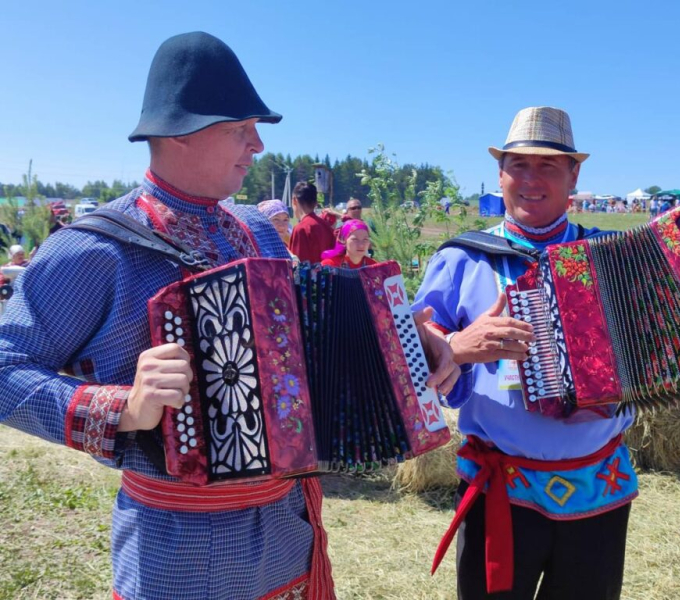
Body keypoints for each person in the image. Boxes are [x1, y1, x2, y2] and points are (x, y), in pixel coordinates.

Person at [0, 32, 459, 600]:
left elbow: (313, 326)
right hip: (181, 547)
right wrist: (124, 407)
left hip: (290, 530)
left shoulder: (256, 228)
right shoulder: (94, 249)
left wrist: (411, 338)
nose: (259, 145)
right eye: (241, 128)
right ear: (180, 131)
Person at [414, 106, 680, 600]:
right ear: (500, 174)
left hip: (599, 492)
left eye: (549, 165)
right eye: (518, 165)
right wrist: (458, 348)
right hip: (498, 493)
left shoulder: (622, 257)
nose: (531, 179)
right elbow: (407, 368)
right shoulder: (460, 259)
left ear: (575, 175)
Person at [289, 181, 336, 263]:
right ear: (315, 203)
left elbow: (297, 266)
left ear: (294, 201)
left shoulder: (300, 229)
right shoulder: (326, 226)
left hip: (308, 275)